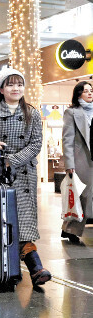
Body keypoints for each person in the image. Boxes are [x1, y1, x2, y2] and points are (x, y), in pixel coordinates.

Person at [0, 67, 51, 287]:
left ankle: (35, 268)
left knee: (23, 222)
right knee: (3, 222)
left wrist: (12, 160)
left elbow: (36, 144)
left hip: (24, 174)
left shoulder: (32, 113)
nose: (16, 88)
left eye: (19, 84)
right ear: (2, 89)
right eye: (11, 84)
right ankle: (14, 269)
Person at [61, 81, 93, 244]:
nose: (89, 93)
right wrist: (69, 164)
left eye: (91, 90)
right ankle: (71, 229)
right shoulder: (72, 112)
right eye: (85, 90)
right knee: (82, 196)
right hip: (82, 160)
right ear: (78, 93)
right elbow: (67, 139)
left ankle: (68, 228)